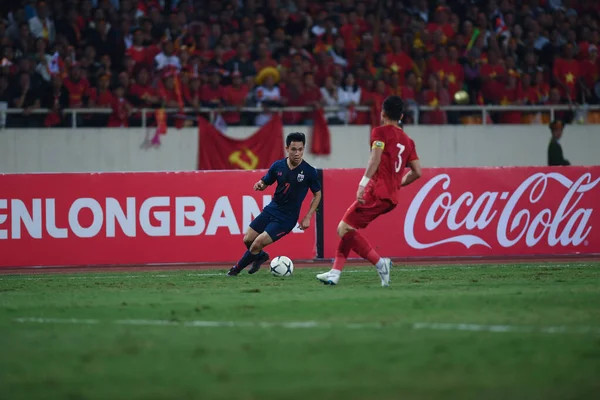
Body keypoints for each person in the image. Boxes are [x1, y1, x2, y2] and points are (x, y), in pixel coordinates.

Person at [316, 95, 422, 287]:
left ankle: (380, 263)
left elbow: (375, 159)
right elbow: (417, 172)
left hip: (376, 191)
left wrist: (363, 183)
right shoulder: (409, 141)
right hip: (391, 197)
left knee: (343, 228)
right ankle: (335, 273)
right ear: (402, 116)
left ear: (382, 114)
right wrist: (398, 183)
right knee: (349, 227)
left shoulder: (380, 132)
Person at [227, 132, 322, 276]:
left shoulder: (309, 172)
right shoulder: (278, 166)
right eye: (294, 149)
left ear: (303, 149)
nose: (297, 153)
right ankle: (261, 257)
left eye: (300, 149)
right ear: (287, 148)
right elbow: (266, 182)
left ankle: (235, 270)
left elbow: (317, 194)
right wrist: (260, 184)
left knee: (257, 243)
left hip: (287, 218)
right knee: (248, 239)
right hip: (272, 209)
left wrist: (308, 216)